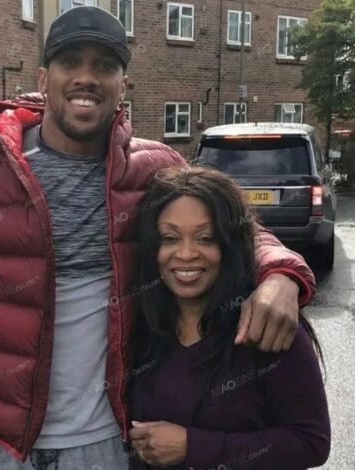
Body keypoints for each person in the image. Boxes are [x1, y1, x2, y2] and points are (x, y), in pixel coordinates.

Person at [0, 6, 315, 470]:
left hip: (106, 445)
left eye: (104, 65)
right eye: (70, 62)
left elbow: (237, 229)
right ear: (43, 76)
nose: (86, 77)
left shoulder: (153, 169)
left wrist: (282, 275)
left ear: (124, 86)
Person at [129, 166, 330, 469]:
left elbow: (311, 442)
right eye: (169, 238)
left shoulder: (267, 323)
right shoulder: (143, 327)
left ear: (230, 245)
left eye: (206, 238)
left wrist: (193, 446)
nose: (185, 254)